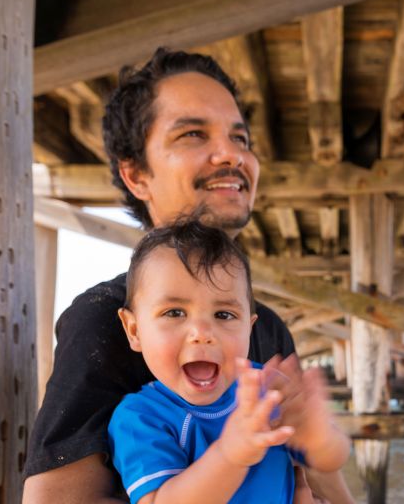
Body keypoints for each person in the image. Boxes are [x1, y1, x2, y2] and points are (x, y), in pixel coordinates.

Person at [23, 48, 355, 503]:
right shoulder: (101, 318)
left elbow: (321, 485)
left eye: (240, 138)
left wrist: (320, 440)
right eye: (194, 134)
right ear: (136, 174)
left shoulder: (268, 328)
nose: (231, 155)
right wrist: (229, 458)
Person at [109, 221, 350, 504]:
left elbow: (328, 461)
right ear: (134, 330)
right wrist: (230, 455)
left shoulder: (267, 391)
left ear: (249, 328)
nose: (202, 333)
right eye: (174, 312)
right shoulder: (140, 417)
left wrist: (319, 437)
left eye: (223, 315)